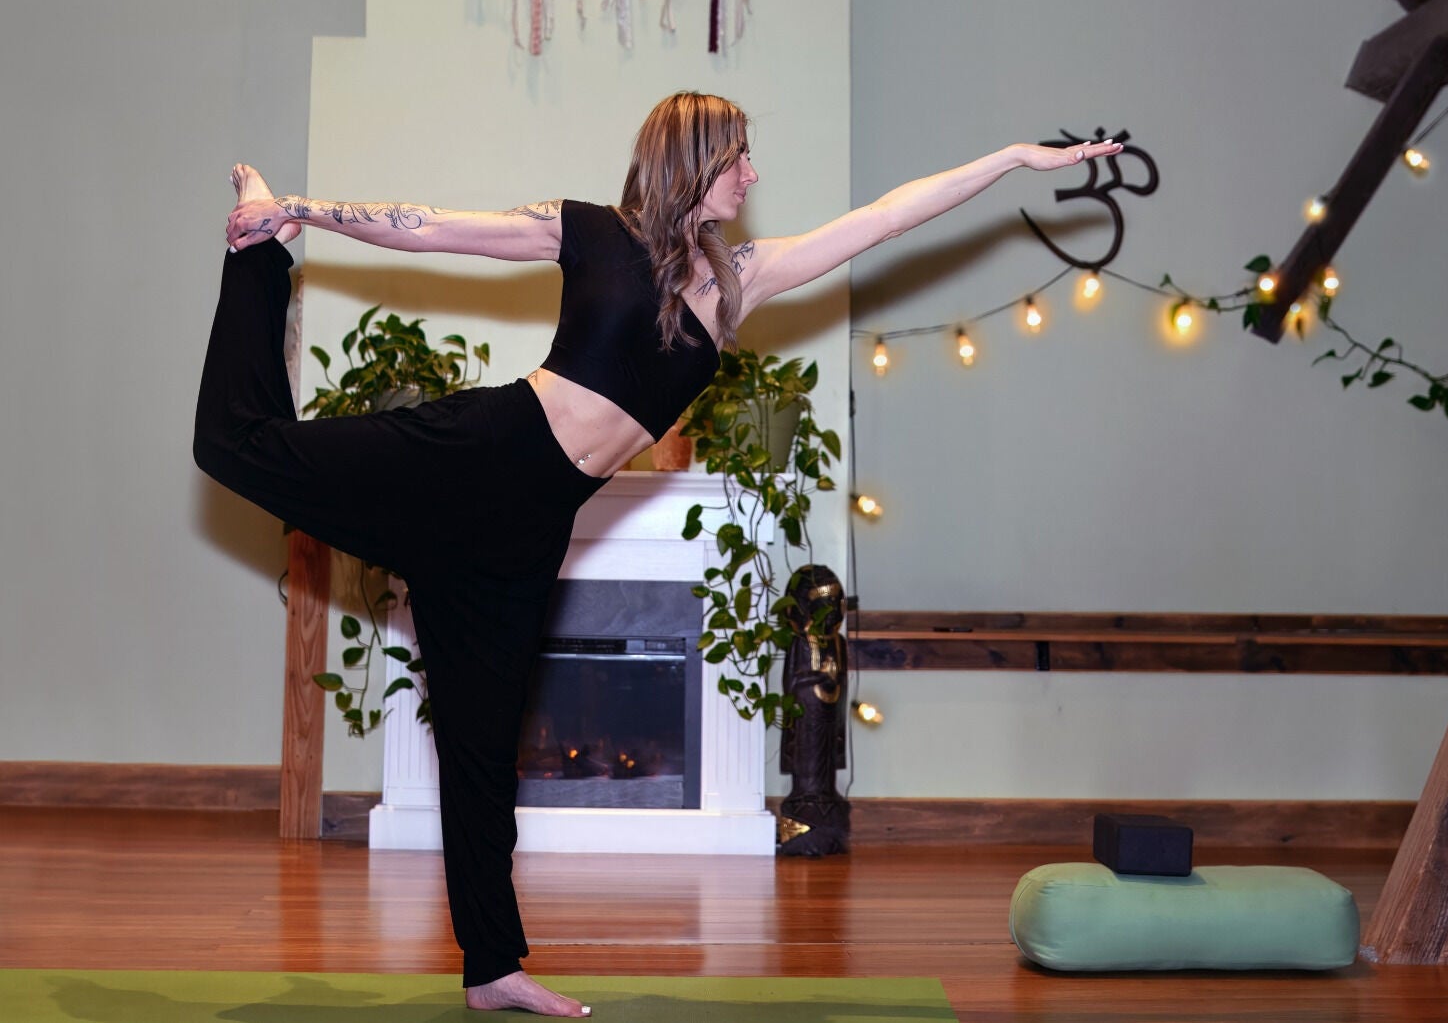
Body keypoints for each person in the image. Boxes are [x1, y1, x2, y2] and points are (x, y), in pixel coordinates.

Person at [196, 91, 1120, 1016]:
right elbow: (434, 230)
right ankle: (257, 254)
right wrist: (300, 213)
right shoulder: (589, 232)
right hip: (473, 454)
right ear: (691, 158)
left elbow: (882, 218)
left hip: (527, 531)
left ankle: (493, 970)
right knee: (233, 445)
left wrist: (1007, 159)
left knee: (481, 751)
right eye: (738, 159)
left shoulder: (738, 280)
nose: (752, 177)